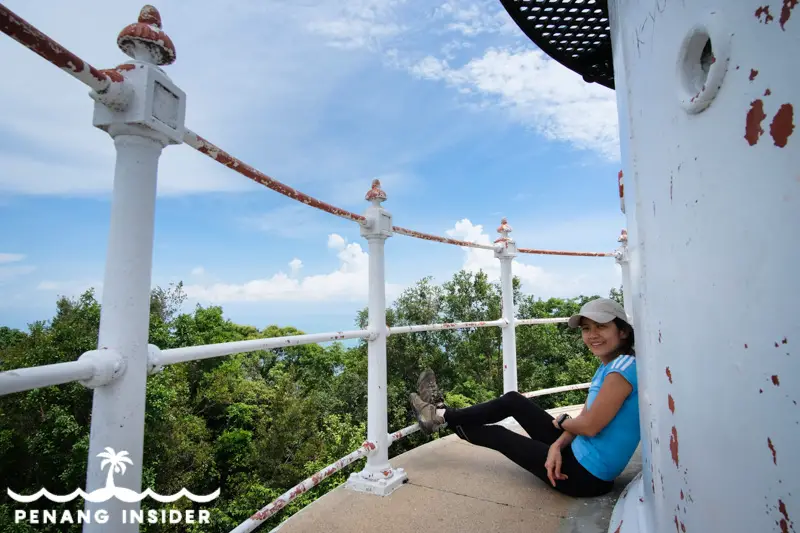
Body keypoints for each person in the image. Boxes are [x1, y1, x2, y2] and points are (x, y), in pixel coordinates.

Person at [409, 297, 639, 497]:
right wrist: (557, 444)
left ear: (623, 331)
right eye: (586, 329)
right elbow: (587, 420)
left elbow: (589, 426)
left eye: (601, 326)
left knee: (498, 435)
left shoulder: (622, 371)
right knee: (513, 400)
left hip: (586, 477)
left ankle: (439, 413)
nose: (592, 335)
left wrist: (562, 422)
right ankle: (440, 414)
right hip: (577, 452)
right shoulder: (611, 365)